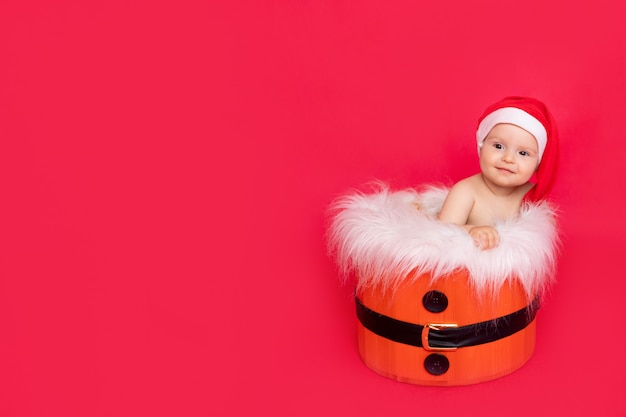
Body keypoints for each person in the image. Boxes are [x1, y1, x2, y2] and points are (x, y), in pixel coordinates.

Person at [437, 96, 559, 250]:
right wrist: (471, 230)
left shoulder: (532, 198)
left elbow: (539, 240)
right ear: (481, 147)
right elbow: (442, 232)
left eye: (523, 153)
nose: (508, 158)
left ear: (537, 164)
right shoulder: (466, 191)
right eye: (499, 146)